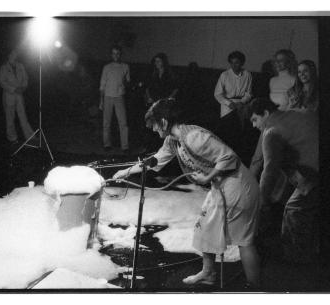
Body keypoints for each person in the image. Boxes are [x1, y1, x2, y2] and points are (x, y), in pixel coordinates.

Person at [113, 99, 261, 288]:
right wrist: (125, 171)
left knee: (243, 240)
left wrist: (208, 178)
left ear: (164, 122)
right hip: (220, 186)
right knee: (205, 227)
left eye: (156, 126)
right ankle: (208, 273)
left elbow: (229, 157)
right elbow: (157, 159)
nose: (154, 130)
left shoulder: (193, 136)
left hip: (238, 185)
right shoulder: (173, 140)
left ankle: (255, 289)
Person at [249, 98, 319, 264]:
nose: (253, 125)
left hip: (315, 171)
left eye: (254, 119)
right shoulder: (297, 111)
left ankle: (296, 258)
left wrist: (261, 201)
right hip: (312, 165)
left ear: (265, 113)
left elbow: (269, 170)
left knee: (293, 208)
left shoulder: (271, 131)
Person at [214, 51, 253, 163]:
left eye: (237, 63)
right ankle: (223, 157)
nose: (234, 65)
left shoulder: (247, 75)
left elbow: (249, 93)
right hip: (228, 105)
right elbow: (218, 93)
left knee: (240, 132)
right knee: (226, 131)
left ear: (242, 63)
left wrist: (242, 102)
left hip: (241, 104)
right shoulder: (224, 75)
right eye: (232, 63)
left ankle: (237, 157)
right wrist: (228, 103)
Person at [0, 49, 35, 145]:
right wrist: (14, 89)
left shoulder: (20, 66)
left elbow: (25, 78)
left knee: (23, 116)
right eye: (12, 53)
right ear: (9, 55)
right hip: (9, 95)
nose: (14, 55)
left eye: (15, 53)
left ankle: (30, 137)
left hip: (19, 95)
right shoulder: (4, 67)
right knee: (10, 118)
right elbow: (2, 82)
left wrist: (23, 87)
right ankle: (12, 138)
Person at [144, 53, 178, 152]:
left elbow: (176, 88)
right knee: (153, 124)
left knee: (163, 125)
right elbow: (147, 87)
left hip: (164, 104)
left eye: (158, 61)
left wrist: (169, 99)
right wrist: (148, 97)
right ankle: (151, 147)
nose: (156, 63)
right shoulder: (153, 74)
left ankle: (162, 148)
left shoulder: (169, 74)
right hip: (154, 102)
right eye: (155, 61)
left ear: (163, 62)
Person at [99, 45, 130, 153]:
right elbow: (102, 85)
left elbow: (127, 81)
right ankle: (107, 144)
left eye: (117, 53)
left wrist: (124, 84)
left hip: (119, 97)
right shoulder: (106, 67)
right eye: (113, 53)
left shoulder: (125, 66)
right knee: (106, 122)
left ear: (120, 54)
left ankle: (125, 147)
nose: (115, 55)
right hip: (108, 97)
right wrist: (101, 101)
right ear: (111, 55)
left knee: (123, 123)